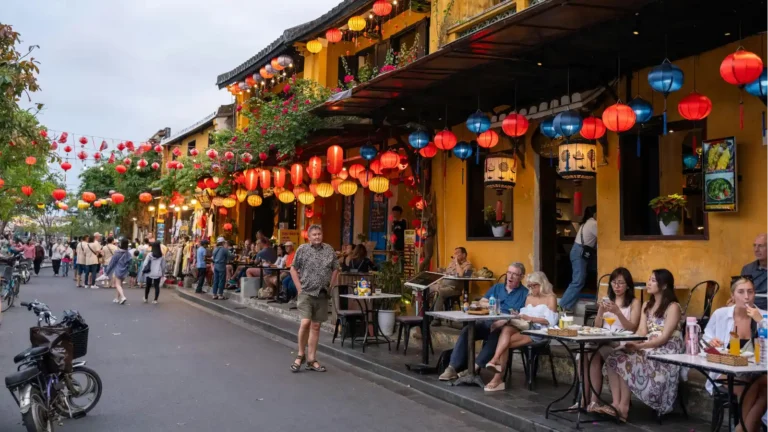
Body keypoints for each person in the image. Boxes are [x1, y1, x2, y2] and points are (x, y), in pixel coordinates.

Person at [602, 269, 683, 421]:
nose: (649, 283)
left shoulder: (673, 307)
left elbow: (664, 338)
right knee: (615, 355)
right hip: (647, 347)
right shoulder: (647, 305)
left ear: (664, 285)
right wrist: (631, 343)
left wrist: (639, 347)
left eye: (653, 280)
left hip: (664, 352)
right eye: (649, 279)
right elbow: (641, 332)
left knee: (626, 360)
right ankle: (616, 404)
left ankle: (623, 408)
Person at [439, 262, 529, 381]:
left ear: (521, 276)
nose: (510, 277)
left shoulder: (525, 294)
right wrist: (494, 305)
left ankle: (473, 369)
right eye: (509, 273)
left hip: (505, 326)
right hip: (487, 322)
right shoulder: (497, 287)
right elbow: (481, 302)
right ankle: (452, 367)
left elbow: (522, 315)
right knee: (467, 330)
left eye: (515, 274)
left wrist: (503, 320)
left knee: (496, 336)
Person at [703, 278, 768, 432]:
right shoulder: (721, 314)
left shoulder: (763, 315)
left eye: (750, 292)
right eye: (741, 292)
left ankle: (741, 428)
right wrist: (712, 342)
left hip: (758, 370)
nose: (747, 297)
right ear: (733, 295)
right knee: (752, 385)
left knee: (764, 388)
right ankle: (744, 429)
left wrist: (761, 322)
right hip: (726, 370)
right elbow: (705, 338)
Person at [575, 267, 641, 410]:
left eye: (621, 283)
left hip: (621, 338)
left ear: (628, 285)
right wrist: (600, 312)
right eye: (614, 283)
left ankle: (593, 400)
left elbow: (632, 328)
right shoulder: (608, 300)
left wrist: (618, 313)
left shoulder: (634, 302)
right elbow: (598, 326)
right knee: (585, 353)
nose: (617, 286)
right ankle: (584, 400)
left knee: (594, 351)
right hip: (604, 336)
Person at [483, 271, 558, 391]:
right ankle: (495, 364)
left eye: (535, 285)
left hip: (540, 332)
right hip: (525, 327)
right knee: (506, 329)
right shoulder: (529, 297)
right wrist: (518, 315)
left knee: (504, 343)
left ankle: (497, 376)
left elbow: (551, 321)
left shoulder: (550, 298)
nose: (532, 288)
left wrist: (531, 319)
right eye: (530, 286)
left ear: (542, 284)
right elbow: (525, 315)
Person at [290, 224, 339, 373]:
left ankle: (312, 359)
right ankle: (300, 355)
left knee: (316, 326)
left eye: (319, 234)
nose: (317, 236)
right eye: (314, 234)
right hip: (306, 292)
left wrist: (331, 286)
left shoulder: (329, 250)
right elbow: (293, 268)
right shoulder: (302, 250)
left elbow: (336, 268)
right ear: (309, 237)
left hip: (322, 293)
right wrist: (299, 288)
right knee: (305, 323)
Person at [560, 205, 597, 311]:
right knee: (578, 280)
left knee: (580, 278)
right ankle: (563, 304)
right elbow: (603, 237)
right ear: (594, 214)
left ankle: (568, 303)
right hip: (581, 252)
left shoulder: (586, 223)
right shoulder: (593, 223)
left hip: (578, 251)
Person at [432, 246, 473, 326]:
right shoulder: (451, 263)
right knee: (427, 288)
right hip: (442, 285)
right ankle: (424, 316)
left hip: (454, 289)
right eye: (454, 253)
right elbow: (447, 272)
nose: (455, 255)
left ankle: (436, 319)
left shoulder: (468, 265)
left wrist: (457, 262)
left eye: (457, 253)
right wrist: (441, 270)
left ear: (464, 255)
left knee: (440, 293)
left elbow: (461, 275)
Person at [741, 233, 768, 310]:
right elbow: (741, 292)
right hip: (749, 308)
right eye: (754, 245)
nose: (756, 250)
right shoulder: (747, 269)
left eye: (761, 246)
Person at [104, 238, 131, 305]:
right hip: (125, 270)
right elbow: (130, 262)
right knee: (120, 285)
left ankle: (123, 297)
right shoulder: (128, 253)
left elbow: (112, 263)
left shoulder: (117, 252)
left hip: (118, 269)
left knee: (117, 284)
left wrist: (107, 272)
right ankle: (116, 298)